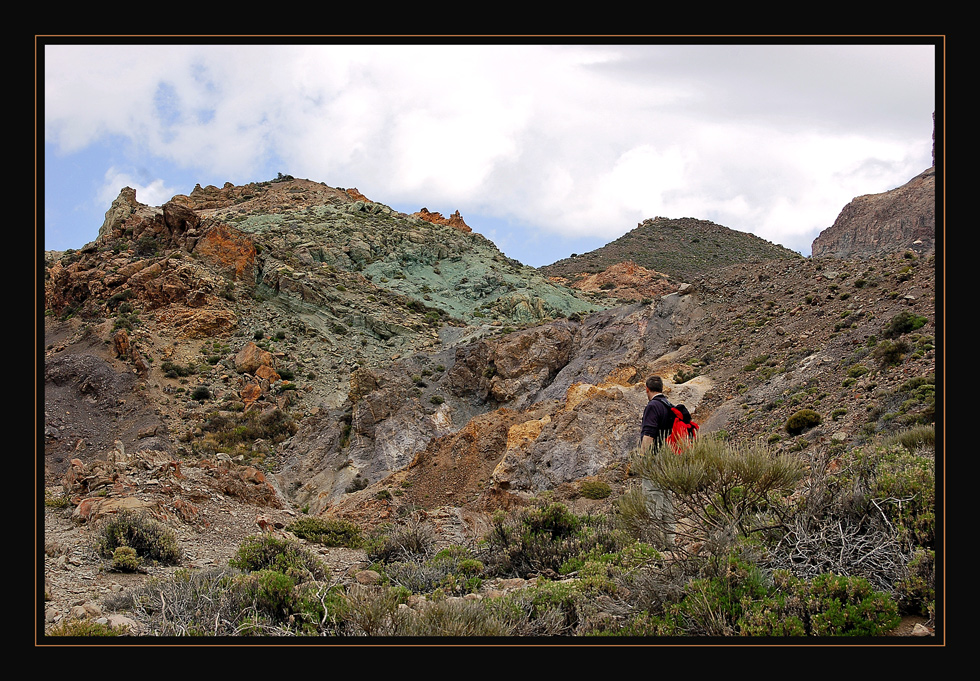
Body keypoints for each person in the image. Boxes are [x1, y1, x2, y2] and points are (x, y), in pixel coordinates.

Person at [640, 375, 674, 450]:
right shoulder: (668, 405)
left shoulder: (652, 406)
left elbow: (649, 433)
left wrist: (642, 456)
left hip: (656, 455)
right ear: (661, 388)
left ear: (647, 389)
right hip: (667, 452)